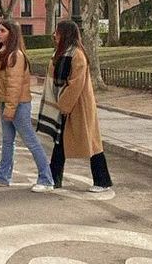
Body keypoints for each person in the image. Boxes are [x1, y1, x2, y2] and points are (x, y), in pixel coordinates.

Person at [0, 20, 54, 191]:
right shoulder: (4, 52)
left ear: (12, 33)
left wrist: (9, 108)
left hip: (18, 105)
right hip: (7, 103)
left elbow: (14, 85)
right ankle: (2, 176)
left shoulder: (15, 55)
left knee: (31, 141)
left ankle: (46, 179)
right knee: (7, 141)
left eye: (2, 30)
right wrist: (1, 103)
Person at [37, 19, 113, 193]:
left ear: (65, 34)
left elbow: (75, 83)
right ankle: (53, 179)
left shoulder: (77, 54)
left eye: (57, 31)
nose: (54, 35)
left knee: (92, 144)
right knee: (60, 143)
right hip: (67, 105)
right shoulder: (62, 52)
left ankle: (102, 181)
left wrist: (62, 106)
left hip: (77, 107)